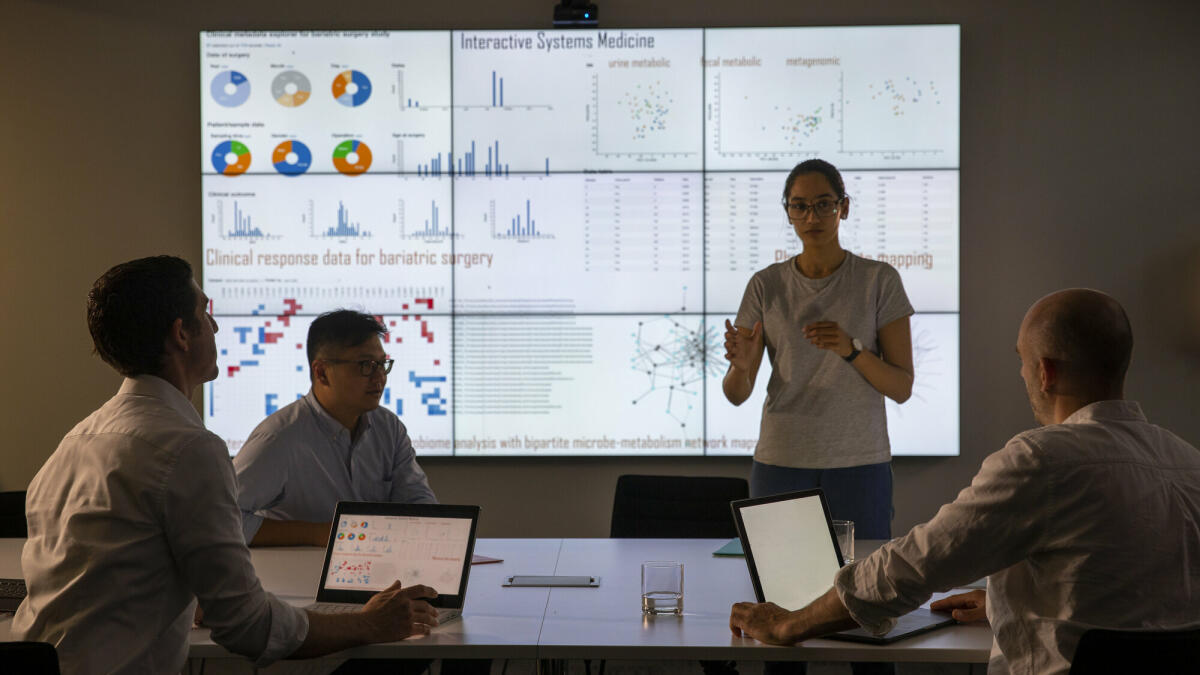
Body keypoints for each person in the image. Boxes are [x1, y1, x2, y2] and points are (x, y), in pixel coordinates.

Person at [729, 289, 1200, 674]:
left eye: (1022, 360)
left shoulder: (1043, 459)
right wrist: (1000, 598)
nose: (1022, 374)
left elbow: (912, 567)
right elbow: (1133, 598)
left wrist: (792, 624)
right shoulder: (1188, 462)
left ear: (1045, 371)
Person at [13, 256, 440, 674]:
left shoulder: (75, 441)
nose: (215, 327)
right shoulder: (188, 449)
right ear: (182, 334)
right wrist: (370, 623)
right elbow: (249, 626)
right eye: (206, 312)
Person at [724, 158, 914, 540]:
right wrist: (741, 368)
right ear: (788, 212)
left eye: (824, 204)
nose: (812, 216)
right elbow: (736, 395)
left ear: (843, 207)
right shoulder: (766, 285)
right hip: (781, 459)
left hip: (859, 462)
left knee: (861, 584)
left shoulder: (879, 280)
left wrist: (851, 349)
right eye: (800, 206)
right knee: (778, 586)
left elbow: (901, 387)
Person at [234, 309, 437, 547]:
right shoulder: (279, 437)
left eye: (382, 364)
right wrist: (318, 533)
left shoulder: (389, 428)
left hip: (379, 575)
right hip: (296, 579)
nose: (379, 377)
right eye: (365, 365)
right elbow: (221, 518)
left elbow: (420, 506)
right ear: (321, 373)